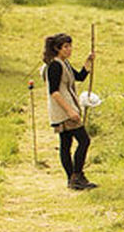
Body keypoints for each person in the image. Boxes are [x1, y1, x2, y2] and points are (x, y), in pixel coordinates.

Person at [42, 32, 98, 190]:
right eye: (65, 46)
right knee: (84, 140)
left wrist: (88, 62)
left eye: (70, 46)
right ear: (57, 48)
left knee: (66, 144)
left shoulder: (64, 63)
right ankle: (77, 176)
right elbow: (54, 92)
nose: (69, 49)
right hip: (63, 109)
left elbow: (79, 76)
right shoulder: (54, 65)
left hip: (66, 108)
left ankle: (72, 179)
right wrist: (70, 111)